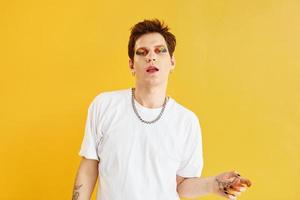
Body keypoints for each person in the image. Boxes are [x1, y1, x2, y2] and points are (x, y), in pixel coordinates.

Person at [71, 19, 251, 200]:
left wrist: (214, 184)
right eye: (142, 52)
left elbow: (181, 185)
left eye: (160, 50)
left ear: (172, 62)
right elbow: (89, 168)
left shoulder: (186, 121)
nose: (151, 57)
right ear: (131, 65)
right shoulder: (104, 105)